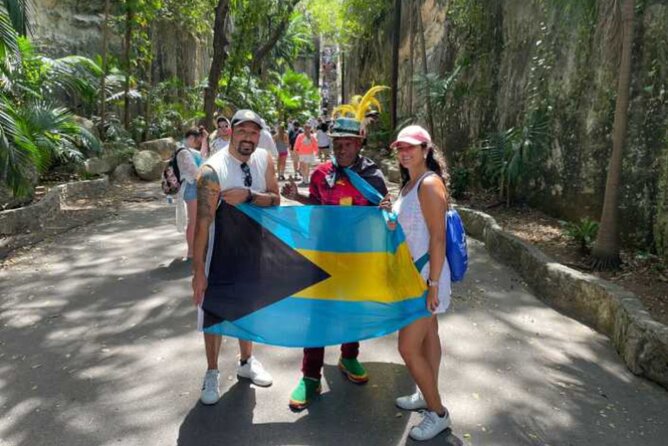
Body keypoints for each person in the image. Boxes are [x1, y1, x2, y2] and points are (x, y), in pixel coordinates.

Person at [281, 116, 388, 411]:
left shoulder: (373, 177)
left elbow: (383, 215)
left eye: (348, 143)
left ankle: (349, 356)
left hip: (357, 257)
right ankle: (311, 376)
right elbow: (317, 206)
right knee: (318, 314)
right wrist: (296, 196)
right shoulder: (320, 174)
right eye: (337, 143)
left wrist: (387, 212)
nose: (341, 149)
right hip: (324, 255)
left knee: (353, 307)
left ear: (359, 144)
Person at [191, 109, 280, 405]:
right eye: (242, 131)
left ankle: (246, 362)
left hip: (253, 248)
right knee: (214, 311)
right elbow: (202, 224)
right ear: (231, 131)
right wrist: (198, 272)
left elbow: (275, 199)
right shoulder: (211, 170)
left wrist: (250, 196)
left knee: (248, 306)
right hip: (219, 252)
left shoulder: (263, 159)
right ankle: (212, 371)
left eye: (254, 132)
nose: (248, 137)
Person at [380, 125, 452, 441]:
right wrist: (389, 213)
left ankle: (438, 414)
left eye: (411, 147)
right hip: (412, 276)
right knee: (429, 335)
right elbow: (409, 227)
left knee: (407, 348)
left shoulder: (429, 184)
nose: (404, 152)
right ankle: (427, 393)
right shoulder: (409, 185)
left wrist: (433, 284)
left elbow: (438, 239)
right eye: (400, 148)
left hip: (424, 278)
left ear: (426, 150)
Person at [176, 127, 208, 259]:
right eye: (196, 141)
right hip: (190, 187)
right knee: (193, 221)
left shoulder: (185, 150)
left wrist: (205, 139)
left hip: (192, 187)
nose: (197, 144)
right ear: (191, 138)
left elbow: (201, 155)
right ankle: (191, 251)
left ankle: (194, 249)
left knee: (195, 220)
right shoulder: (184, 152)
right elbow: (195, 172)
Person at [293, 120, 318, 186]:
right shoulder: (312, 137)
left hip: (302, 154)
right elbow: (316, 146)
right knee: (306, 167)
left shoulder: (300, 136)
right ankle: (305, 180)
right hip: (309, 154)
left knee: (303, 168)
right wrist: (316, 152)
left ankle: (305, 180)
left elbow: (296, 145)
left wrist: (295, 151)